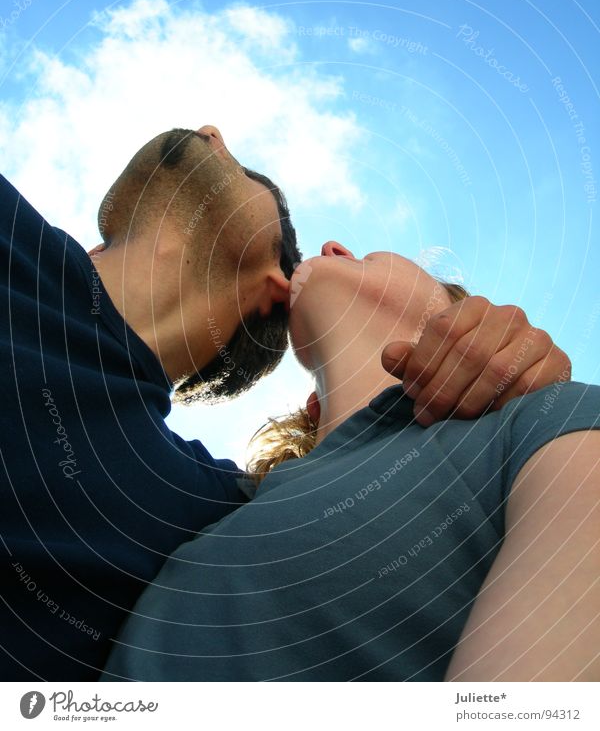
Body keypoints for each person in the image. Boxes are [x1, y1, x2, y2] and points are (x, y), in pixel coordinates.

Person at [0, 123, 571, 681]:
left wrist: (540, 402)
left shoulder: (203, 507)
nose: (211, 129)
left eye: (246, 171)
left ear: (278, 285)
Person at [102, 244, 599, 682]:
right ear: (310, 407)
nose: (332, 246)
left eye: (367, 255)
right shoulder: (216, 500)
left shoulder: (546, 420)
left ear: (463, 315)